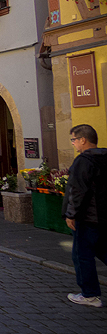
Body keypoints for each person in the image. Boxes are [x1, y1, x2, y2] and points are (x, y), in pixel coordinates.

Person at [63, 124, 107, 307]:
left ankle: (90, 294)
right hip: (103, 216)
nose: (73, 143)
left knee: (82, 255)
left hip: (87, 216)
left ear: (83, 140)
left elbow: (78, 191)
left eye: (73, 139)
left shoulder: (83, 161)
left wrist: (71, 214)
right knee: (102, 250)